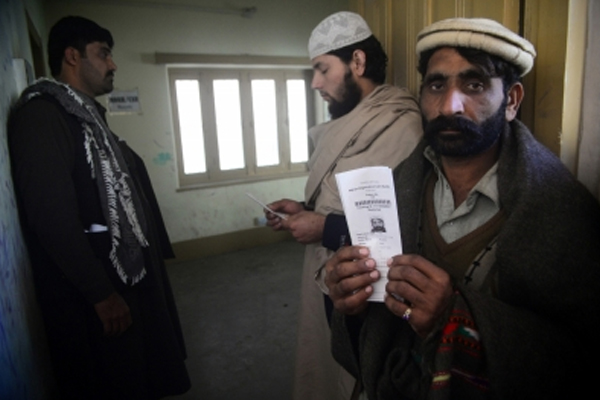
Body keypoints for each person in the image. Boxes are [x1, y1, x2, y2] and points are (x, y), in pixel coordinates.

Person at [324, 17, 600, 399]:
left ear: (511, 101)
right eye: (437, 85)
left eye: (474, 85)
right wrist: (351, 299)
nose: (449, 105)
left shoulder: (561, 210)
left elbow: (580, 359)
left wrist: (454, 318)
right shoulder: (398, 186)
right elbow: (374, 326)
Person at [8, 16, 191, 399]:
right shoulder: (42, 116)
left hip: (121, 281)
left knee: (137, 373)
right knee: (111, 380)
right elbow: (51, 216)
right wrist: (100, 293)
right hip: (95, 298)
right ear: (72, 57)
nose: (113, 64)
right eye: (103, 54)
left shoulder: (86, 116)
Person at [265, 11, 423, 400]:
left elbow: (403, 225)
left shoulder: (401, 125)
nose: (315, 83)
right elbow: (339, 197)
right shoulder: (346, 123)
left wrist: (324, 228)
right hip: (328, 279)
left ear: (358, 61)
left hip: (370, 292)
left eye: (322, 69)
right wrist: (302, 208)